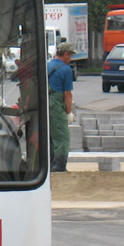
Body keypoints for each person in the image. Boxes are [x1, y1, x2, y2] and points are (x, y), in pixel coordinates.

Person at [47, 41, 76, 172]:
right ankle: (59, 166)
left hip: (44, 103)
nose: (70, 59)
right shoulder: (66, 69)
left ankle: (50, 164)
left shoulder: (47, 65)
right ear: (65, 54)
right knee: (61, 136)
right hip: (56, 105)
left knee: (50, 135)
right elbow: (67, 94)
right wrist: (69, 112)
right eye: (70, 56)